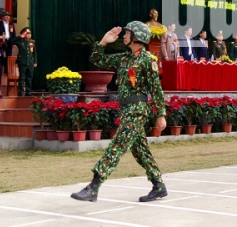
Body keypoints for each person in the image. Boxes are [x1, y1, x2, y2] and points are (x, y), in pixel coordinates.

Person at [71, 22, 167, 203]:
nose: (124, 36)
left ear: (137, 37)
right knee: (140, 151)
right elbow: (97, 59)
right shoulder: (124, 58)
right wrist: (103, 42)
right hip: (126, 109)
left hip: (137, 110)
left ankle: (94, 186)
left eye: (127, 33)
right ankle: (159, 185)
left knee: (118, 145)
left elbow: (156, 89)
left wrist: (161, 114)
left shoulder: (148, 60)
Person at [10, 28, 37, 96]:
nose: (29, 35)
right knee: (22, 77)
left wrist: (35, 61)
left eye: (30, 34)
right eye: (27, 34)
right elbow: (11, 42)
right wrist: (19, 37)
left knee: (29, 77)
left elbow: (34, 53)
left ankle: (28, 91)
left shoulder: (32, 42)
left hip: (30, 62)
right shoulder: (19, 41)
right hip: (22, 62)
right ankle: (21, 92)